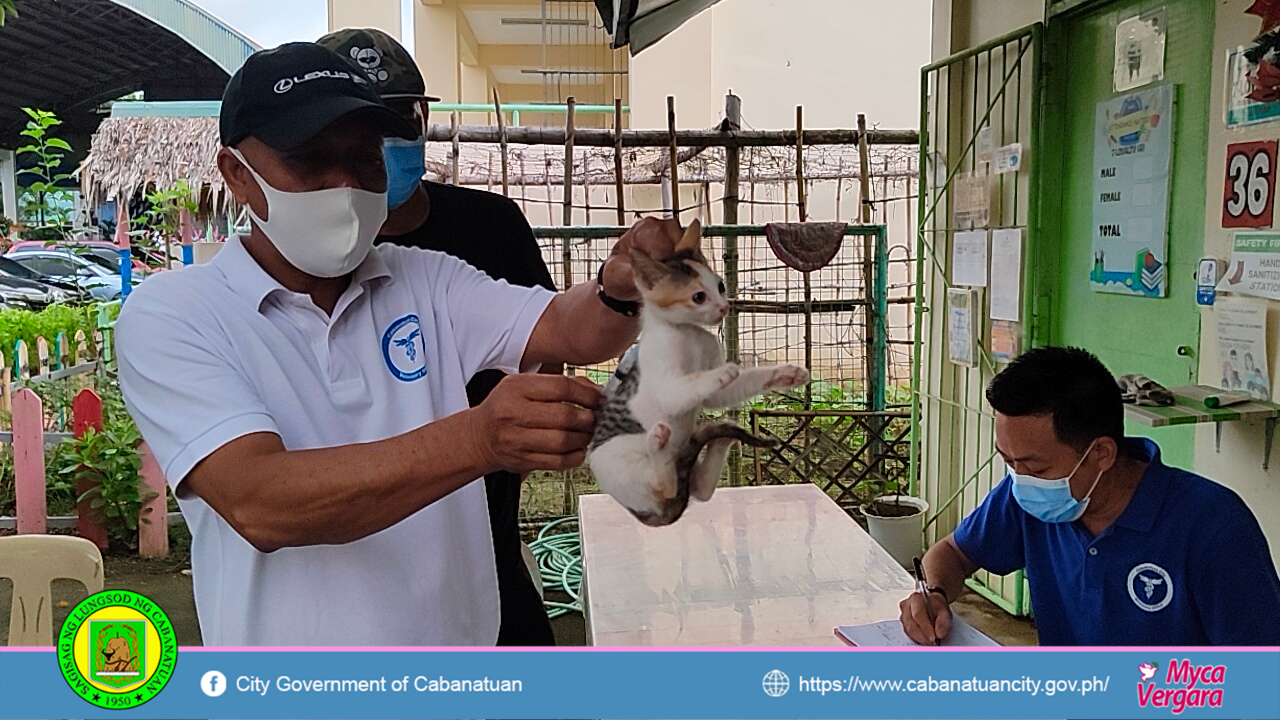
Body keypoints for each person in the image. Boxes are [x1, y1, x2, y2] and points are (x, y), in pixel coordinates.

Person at [114, 42, 675, 647]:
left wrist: (621, 288)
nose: (346, 184)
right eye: (311, 160)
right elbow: (261, 502)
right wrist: (479, 438)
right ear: (236, 176)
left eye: (365, 159)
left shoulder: (423, 278)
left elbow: (569, 327)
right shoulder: (176, 314)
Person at [316, 27, 558, 647]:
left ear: (424, 120)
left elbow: (547, 348)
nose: (381, 144)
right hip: (359, 534)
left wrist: (512, 446)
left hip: (485, 518)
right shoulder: (311, 250)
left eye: (398, 119)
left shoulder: (488, 225)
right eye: (357, 127)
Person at [899, 346, 1280, 646]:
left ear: (1101, 454)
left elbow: (1257, 676)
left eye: (1036, 467)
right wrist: (933, 594)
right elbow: (954, 552)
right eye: (1008, 461)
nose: (1021, 479)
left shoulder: (1213, 527)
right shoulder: (1025, 498)